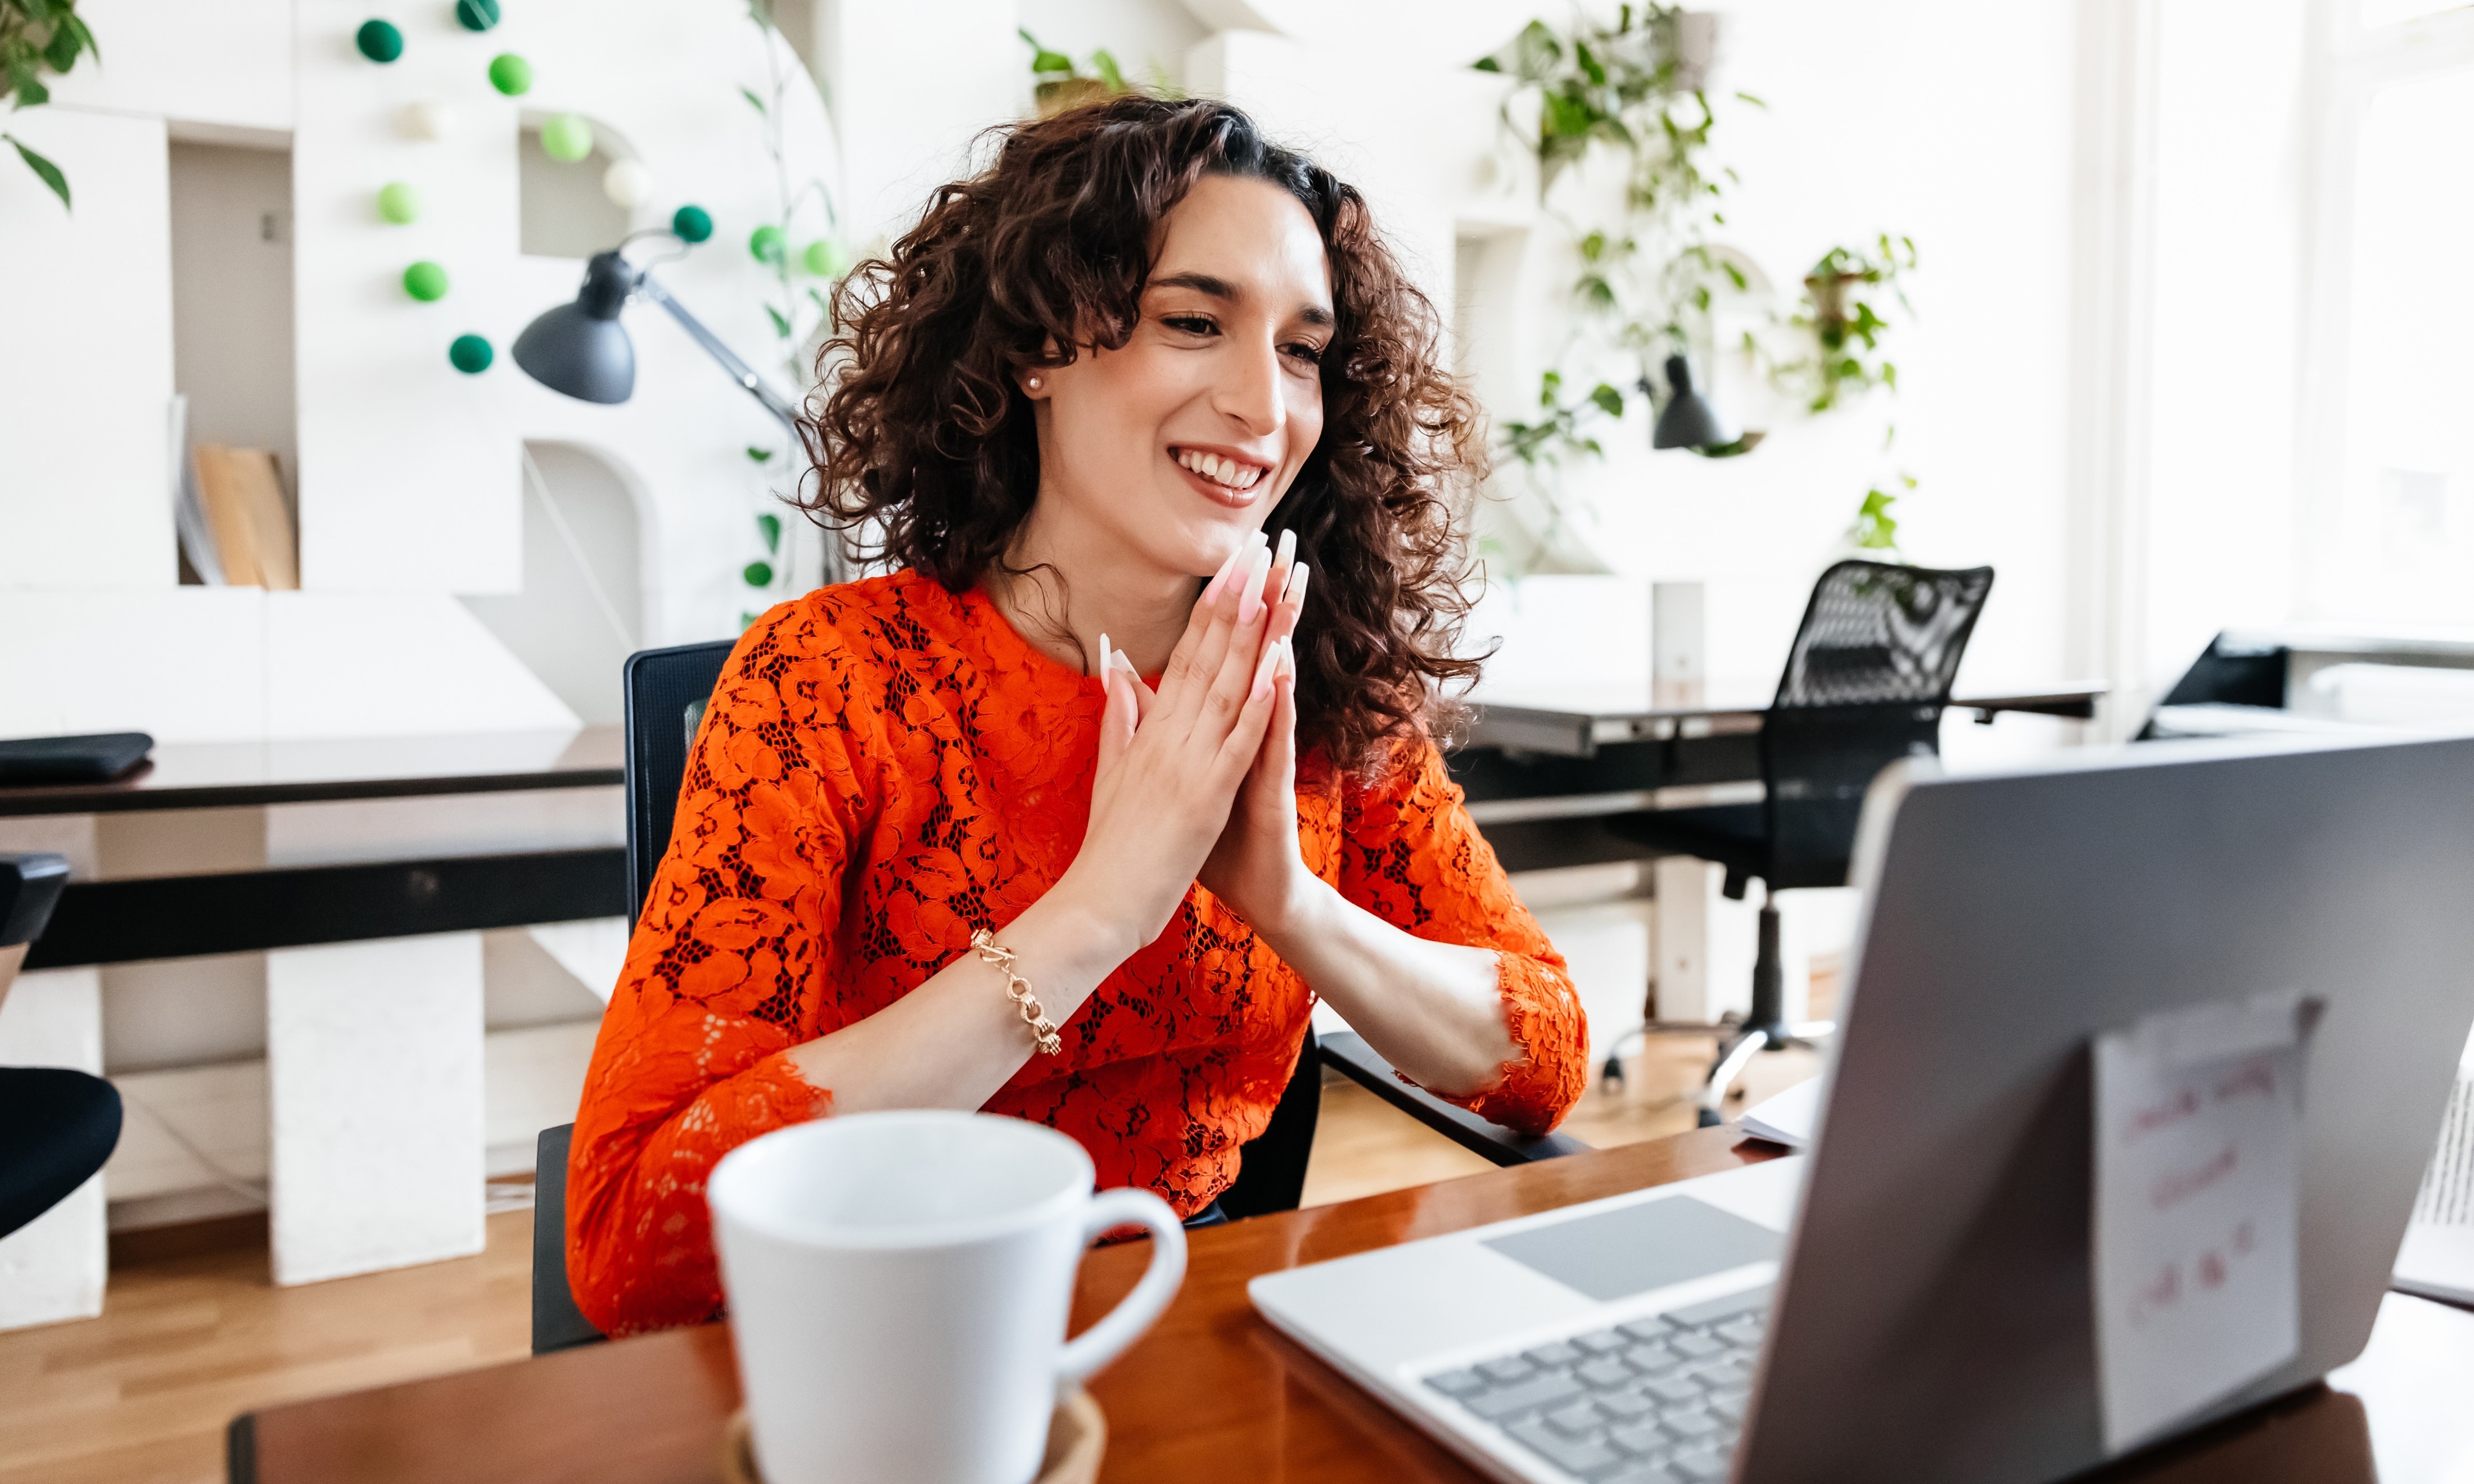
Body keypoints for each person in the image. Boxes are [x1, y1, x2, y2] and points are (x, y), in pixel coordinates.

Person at [566, 94, 1588, 1336]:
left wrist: (1285, 898)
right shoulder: (829, 682)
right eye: (1194, 323)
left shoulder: (1306, 688)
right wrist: (1099, 911)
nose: (1265, 410)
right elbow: (633, 1242)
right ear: (1037, 345)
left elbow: (1544, 1061)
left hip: (1190, 1326)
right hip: (884, 1334)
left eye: (1303, 351)